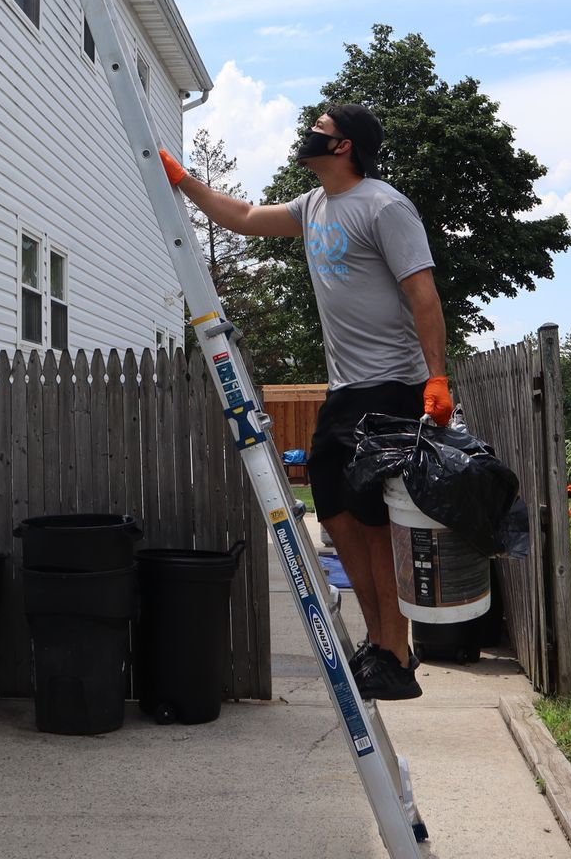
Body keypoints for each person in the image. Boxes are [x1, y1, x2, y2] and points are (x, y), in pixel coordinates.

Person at [159, 104, 450, 701]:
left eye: (319, 129)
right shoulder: (312, 205)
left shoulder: (385, 206)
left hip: (393, 385)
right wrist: (183, 179)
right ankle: (380, 641)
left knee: (375, 523)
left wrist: (436, 378)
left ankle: (396, 653)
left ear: (344, 146)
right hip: (345, 390)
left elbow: (423, 293)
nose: (308, 135)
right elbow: (242, 217)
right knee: (336, 512)